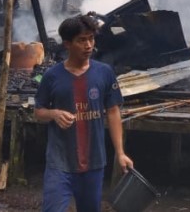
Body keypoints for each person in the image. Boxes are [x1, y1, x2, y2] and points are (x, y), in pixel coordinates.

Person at [35, 14, 133, 212]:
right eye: (82, 40)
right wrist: (54, 114)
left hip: (94, 161)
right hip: (59, 161)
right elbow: (38, 111)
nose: (88, 45)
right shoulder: (51, 76)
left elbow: (113, 112)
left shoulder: (104, 73)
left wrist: (120, 153)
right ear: (67, 44)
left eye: (91, 38)